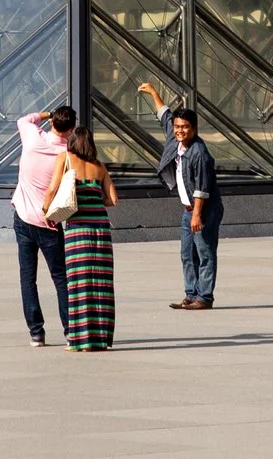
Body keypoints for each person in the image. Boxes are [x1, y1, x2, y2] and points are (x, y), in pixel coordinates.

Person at [137, 82, 220, 310]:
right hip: (188, 209)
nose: (179, 130)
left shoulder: (199, 153)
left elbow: (202, 188)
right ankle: (190, 293)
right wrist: (154, 92)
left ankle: (204, 298)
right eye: (177, 126)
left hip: (202, 209)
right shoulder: (176, 139)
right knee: (186, 254)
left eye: (184, 127)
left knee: (204, 252)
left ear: (194, 128)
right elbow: (164, 114)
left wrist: (196, 215)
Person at [44, 123, 117, 352]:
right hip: (101, 230)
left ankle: (81, 340)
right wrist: (94, 199)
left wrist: (48, 211)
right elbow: (113, 199)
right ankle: (100, 339)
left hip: (78, 229)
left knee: (79, 283)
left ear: (72, 142)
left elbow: (52, 188)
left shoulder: (65, 158)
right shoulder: (99, 166)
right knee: (101, 284)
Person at [11, 105, 75, 347]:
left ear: (52, 124)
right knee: (60, 277)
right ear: (70, 130)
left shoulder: (33, 137)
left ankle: (36, 333)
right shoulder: (68, 153)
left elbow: (24, 119)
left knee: (27, 278)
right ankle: (70, 330)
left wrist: (48, 114)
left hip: (23, 218)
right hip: (49, 223)